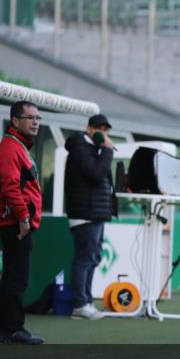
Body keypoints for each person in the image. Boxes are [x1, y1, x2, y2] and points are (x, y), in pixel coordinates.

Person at [0, 101, 45, 345]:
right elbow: (10, 186)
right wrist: (23, 217)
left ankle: (8, 329)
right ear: (15, 120)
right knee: (16, 279)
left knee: (15, 277)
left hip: (18, 222)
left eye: (38, 118)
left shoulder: (18, 147)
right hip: (15, 224)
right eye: (30, 117)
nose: (35, 122)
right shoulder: (11, 147)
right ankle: (12, 329)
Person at [64, 113, 118, 320]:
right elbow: (96, 174)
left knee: (93, 258)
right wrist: (107, 150)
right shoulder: (80, 149)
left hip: (95, 213)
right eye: (99, 130)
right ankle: (79, 304)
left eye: (106, 131)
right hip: (85, 213)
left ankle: (86, 301)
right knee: (84, 259)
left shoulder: (93, 149)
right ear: (89, 129)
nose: (103, 134)